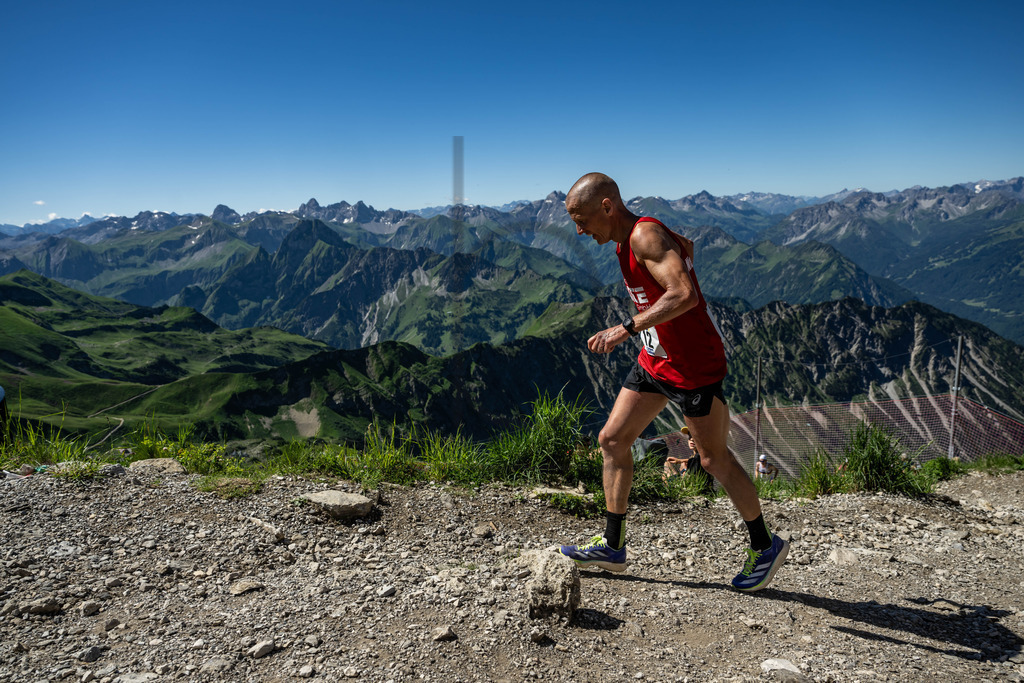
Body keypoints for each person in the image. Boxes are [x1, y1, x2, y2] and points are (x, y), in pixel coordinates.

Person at [556, 172, 788, 591]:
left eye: (582, 219)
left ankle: (765, 545)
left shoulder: (644, 236)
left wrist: (625, 327)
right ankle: (612, 545)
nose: (579, 230)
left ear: (607, 206)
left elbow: (684, 294)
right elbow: (687, 248)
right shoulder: (631, 237)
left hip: (692, 368)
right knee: (611, 440)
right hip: (655, 361)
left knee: (713, 458)